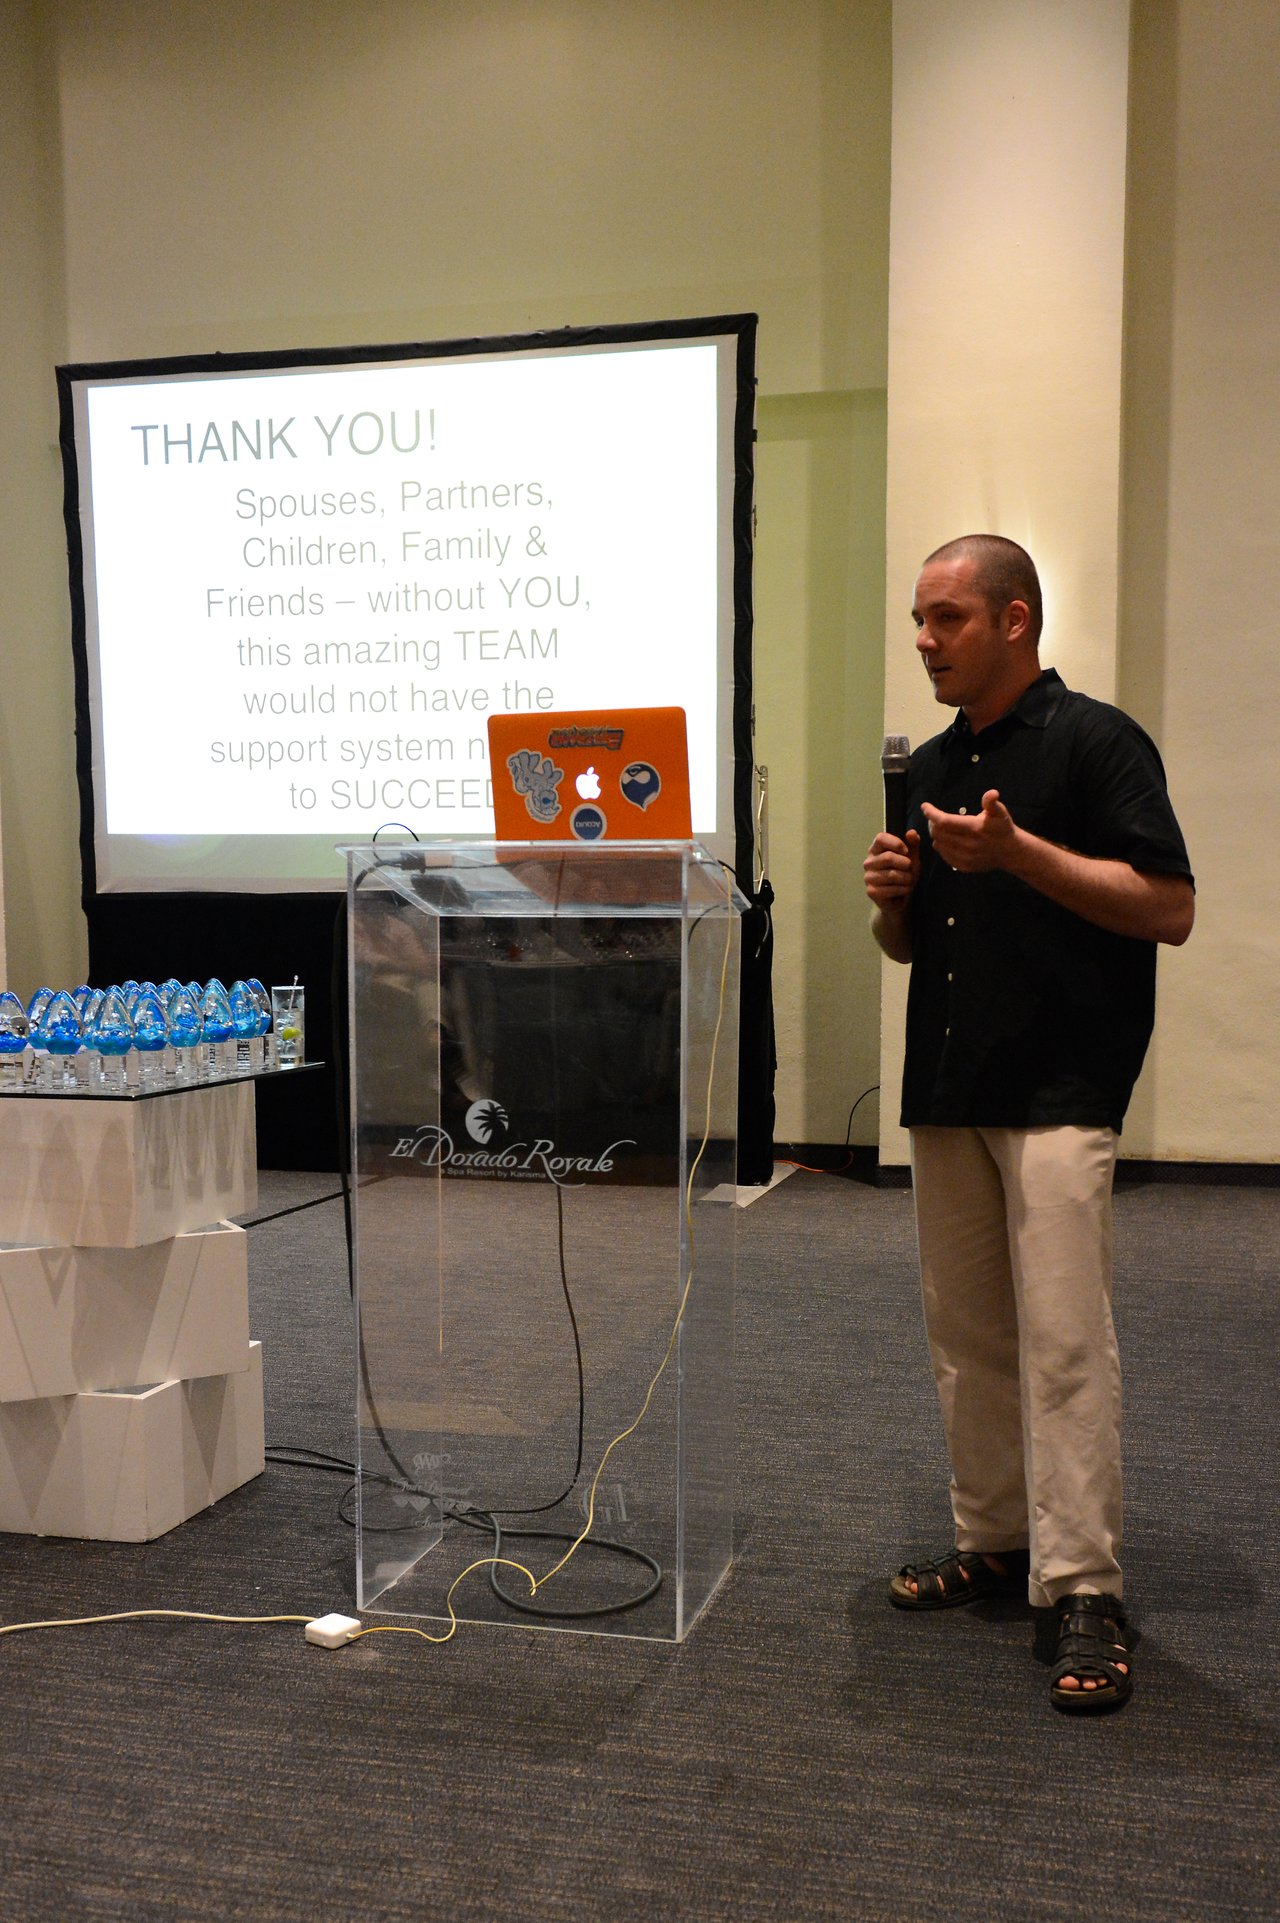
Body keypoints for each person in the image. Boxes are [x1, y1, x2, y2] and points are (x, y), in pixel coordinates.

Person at [863, 533, 1194, 1715]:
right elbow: (910, 950)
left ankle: (1082, 1585)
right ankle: (997, 1540)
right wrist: (894, 908)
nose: (921, 640)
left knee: (1061, 1343)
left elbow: (1166, 907)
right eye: (917, 617)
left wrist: (1016, 853)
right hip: (947, 1088)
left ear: (1013, 622)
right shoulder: (932, 761)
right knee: (965, 1338)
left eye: (943, 618)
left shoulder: (1098, 742)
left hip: (1060, 1087)